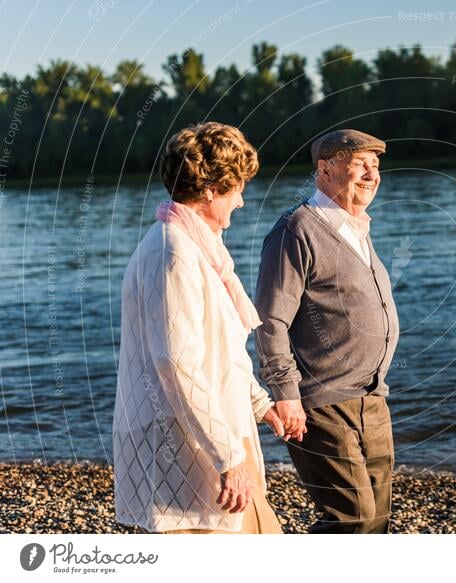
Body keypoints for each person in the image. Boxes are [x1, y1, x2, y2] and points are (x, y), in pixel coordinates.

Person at [113, 122, 285, 534]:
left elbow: (221, 347)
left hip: (219, 430)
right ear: (210, 188)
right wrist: (227, 457)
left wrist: (259, 404)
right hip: (186, 446)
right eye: (237, 188)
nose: (242, 201)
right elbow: (177, 363)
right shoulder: (173, 252)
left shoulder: (200, 248)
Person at [254, 129, 400, 533]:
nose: (371, 174)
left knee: (378, 522)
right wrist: (286, 395)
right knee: (352, 520)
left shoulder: (358, 228)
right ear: (325, 168)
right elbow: (270, 321)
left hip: (372, 397)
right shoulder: (296, 230)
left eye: (376, 165)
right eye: (359, 164)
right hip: (321, 403)